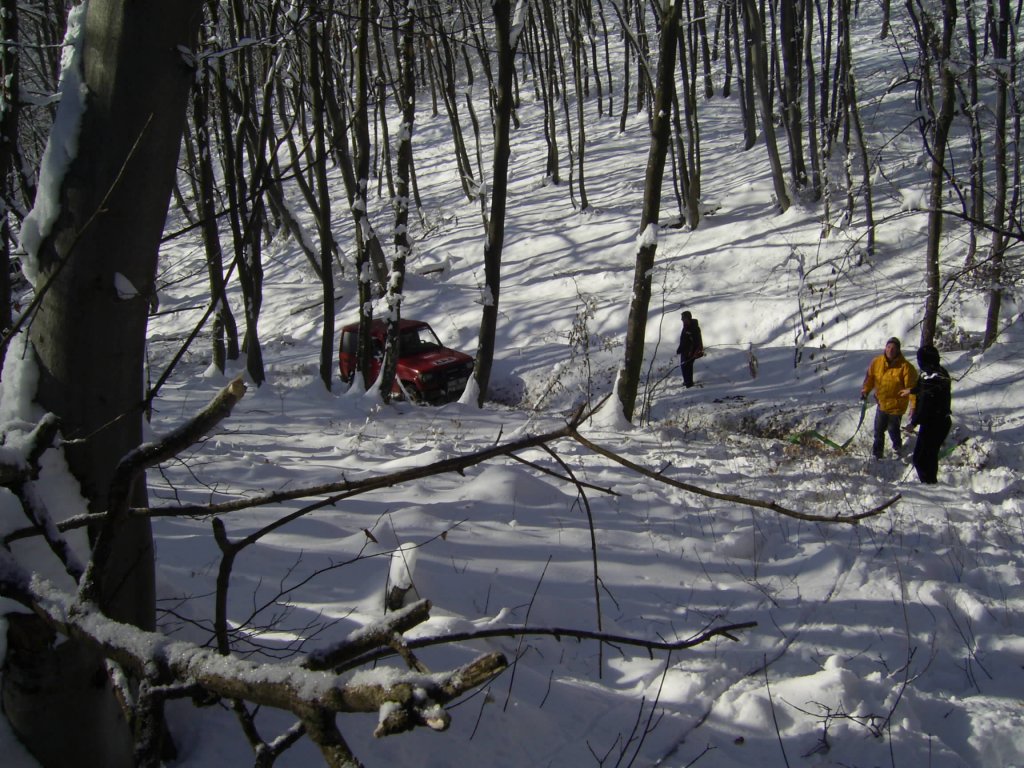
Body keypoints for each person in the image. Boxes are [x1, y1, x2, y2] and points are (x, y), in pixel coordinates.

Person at [901, 344, 952, 484]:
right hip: (936, 422)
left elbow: (925, 405)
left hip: (935, 423)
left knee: (921, 459)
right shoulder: (935, 373)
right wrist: (911, 391)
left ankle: (930, 485)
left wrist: (913, 423)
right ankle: (930, 484)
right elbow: (922, 386)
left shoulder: (934, 378)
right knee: (926, 458)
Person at [860, 337, 918, 459]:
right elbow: (870, 378)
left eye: (894, 348)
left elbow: (912, 388)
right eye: (888, 347)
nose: (890, 350)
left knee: (893, 429)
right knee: (878, 430)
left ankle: (897, 448)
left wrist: (913, 406)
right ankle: (877, 454)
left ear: (898, 350)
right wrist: (865, 391)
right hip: (882, 403)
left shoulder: (906, 367)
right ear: (885, 348)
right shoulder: (877, 362)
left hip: (897, 405)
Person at [676, 311, 704, 388]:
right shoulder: (685, 327)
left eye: (684, 318)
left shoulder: (694, 328)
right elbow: (683, 340)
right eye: (682, 319)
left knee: (687, 366)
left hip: (691, 352)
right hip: (684, 351)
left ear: (688, 318)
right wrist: (680, 349)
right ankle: (686, 381)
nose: (682, 320)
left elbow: (696, 342)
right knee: (684, 366)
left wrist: (692, 352)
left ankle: (689, 383)